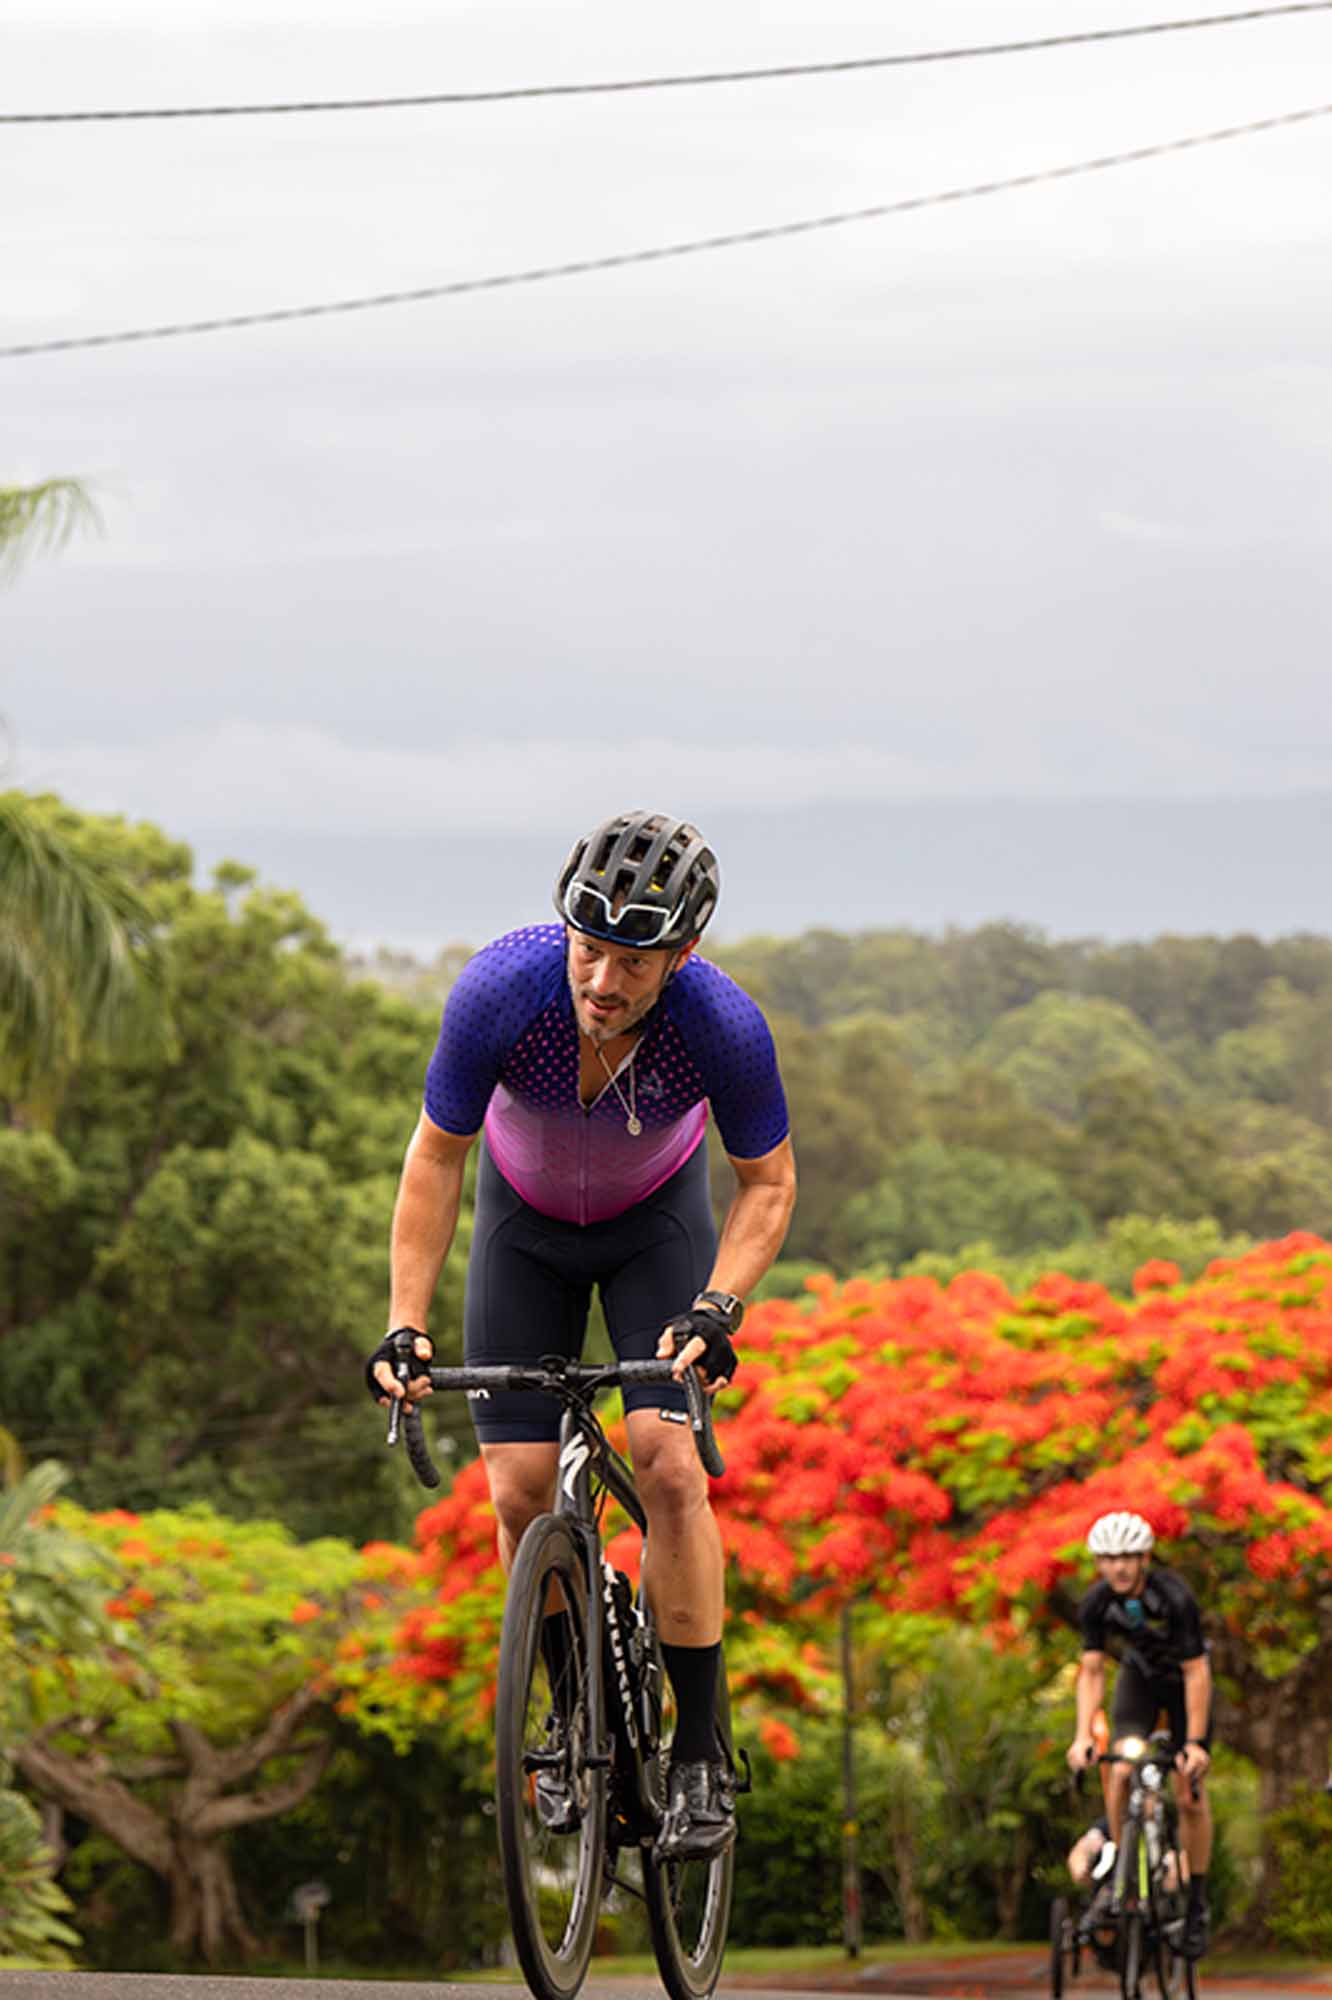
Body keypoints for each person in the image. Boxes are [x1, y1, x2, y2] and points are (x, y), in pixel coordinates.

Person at [366, 810, 797, 1862]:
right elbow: (435, 1158)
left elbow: (769, 1184)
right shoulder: (501, 990)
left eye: (634, 961)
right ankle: (569, 1715)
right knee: (517, 1489)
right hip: (523, 1230)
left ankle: (700, 1750)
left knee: (667, 1464)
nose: (603, 980)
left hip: (656, 1232)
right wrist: (405, 1324)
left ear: (682, 954)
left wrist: (718, 1306)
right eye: (589, 948)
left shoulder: (721, 1023)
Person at [1065, 1511, 1213, 1960]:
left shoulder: (1174, 1597)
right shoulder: (1095, 1603)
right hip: (1141, 1679)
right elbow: (1092, 1671)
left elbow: (1197, 1672)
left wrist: (1194, 1744)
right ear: (1099, 1563)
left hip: (1185, 1685)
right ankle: (1119, 1867)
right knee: (1120, 1768)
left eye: (1128, 1557)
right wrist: (1082, 1736)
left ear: (1145, 1558)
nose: (1120, 1567)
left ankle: (1196, 1902)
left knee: (1188, 1794)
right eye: (1110, 1559)